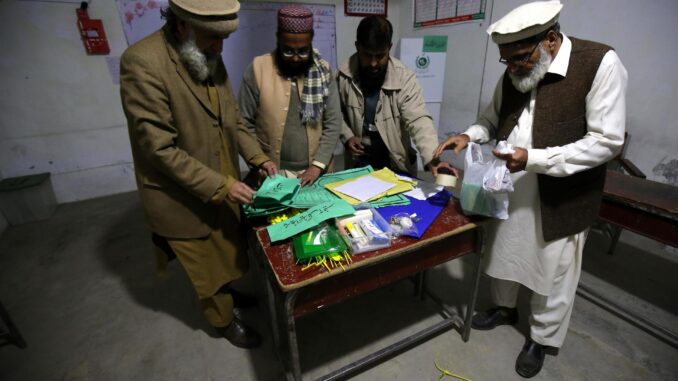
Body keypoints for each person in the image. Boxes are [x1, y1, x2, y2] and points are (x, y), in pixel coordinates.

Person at [433, 1, 627, 377]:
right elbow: (492, 119)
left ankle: (541, 338)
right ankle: (505, 308)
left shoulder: (598, 63)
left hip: (563, 195)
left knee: (554, 271)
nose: (514, 68)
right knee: (504, 254)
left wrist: (534, 159)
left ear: (551, 39)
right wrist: (468, 134)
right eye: (507, 61)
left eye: (521, 58)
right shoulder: (514, 72)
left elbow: (606, 141)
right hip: (509, 186)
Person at [120, 0, 269, 348]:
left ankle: (227, 294)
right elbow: (159, 150)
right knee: (205, 266)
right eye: (212, 38)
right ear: (183, 26)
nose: (220, 47)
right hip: (179, 195)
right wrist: (223, 185)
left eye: (224, 39)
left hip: (220, 180)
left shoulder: (205, 53)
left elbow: (231, 117)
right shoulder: (142, 63)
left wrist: (258, 158)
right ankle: (223, 321)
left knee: (225, 250)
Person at [337, 16, 456, 178]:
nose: (373, 63)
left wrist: (432, 159)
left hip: (394, 156)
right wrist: (348, 136)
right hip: (360, 157)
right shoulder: (343, 75)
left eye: (380, 56)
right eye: (367, 55)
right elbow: (336, 113)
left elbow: (418, 119)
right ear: (357, 47)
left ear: (390, 48)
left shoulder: (404, 78)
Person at [239, 5, 341, 186]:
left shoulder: (323, 71)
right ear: (278, 39)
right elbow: (243, 124)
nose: (295, 58)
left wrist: (317, 166)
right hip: (270, 175)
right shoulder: (257, 68)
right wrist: (259, 161)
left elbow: (333, 123)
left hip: (316, 174)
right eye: (288, 51)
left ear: (311, 42)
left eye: (303, 51)